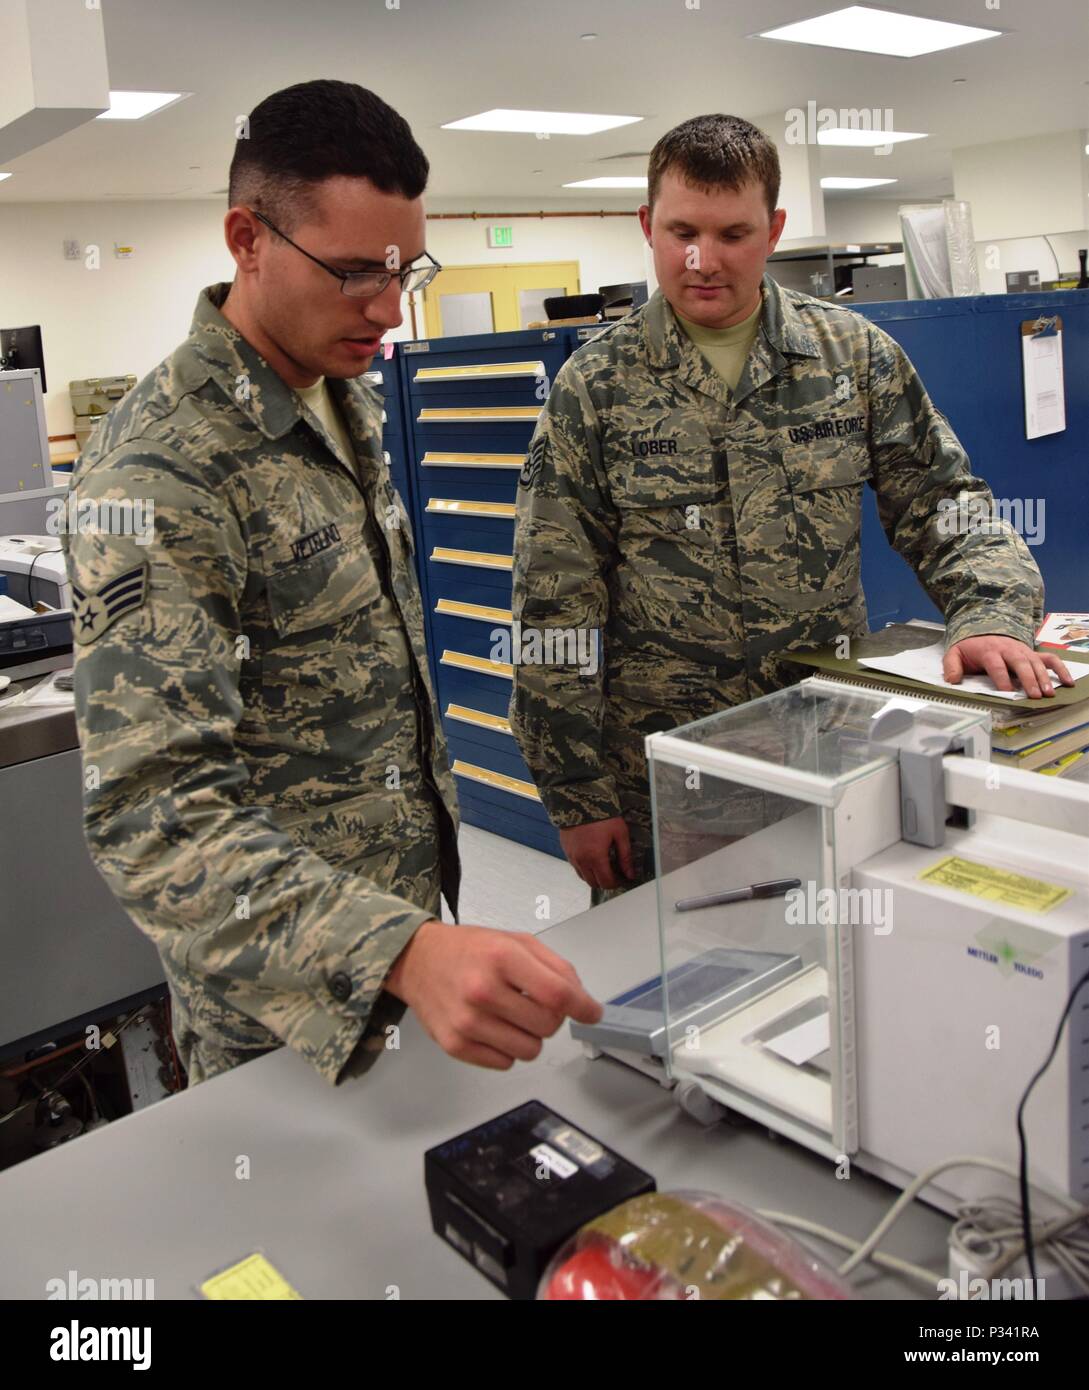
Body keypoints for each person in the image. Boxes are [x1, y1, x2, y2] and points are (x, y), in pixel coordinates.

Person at [61, 79, 600, 1085]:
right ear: (247, 238)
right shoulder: (162, 469)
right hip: (279, 1018)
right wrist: (393, 949)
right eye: (354, 272)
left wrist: (417, 941)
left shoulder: (336, 398)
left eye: (405, 272)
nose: (388, 311)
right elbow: (154, 818)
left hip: (405, 937)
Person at [511, 113, 1071, 900]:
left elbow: (946, 507)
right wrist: (573, 790)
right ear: (646, 225)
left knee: (844, 981)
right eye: (680, 232)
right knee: (681, 987)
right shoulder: (593, 391)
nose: (702, 260)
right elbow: (553, 600)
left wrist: (987, 613)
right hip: (666, 781)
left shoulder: (853, 356)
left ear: (773, 230)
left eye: (732, 234)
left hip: (833, 757)